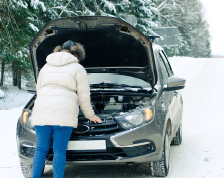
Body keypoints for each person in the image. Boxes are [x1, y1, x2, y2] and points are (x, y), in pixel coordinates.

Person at [31, 40, 102, 178]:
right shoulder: (77, 68)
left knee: (40, 149)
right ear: (77, 54)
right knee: (59, 150)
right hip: (63, 113)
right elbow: (83, 96)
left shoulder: (45, 67)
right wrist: (90, 115)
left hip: (42, 111)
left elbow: (39, 92)